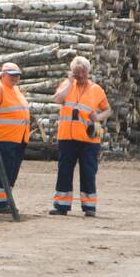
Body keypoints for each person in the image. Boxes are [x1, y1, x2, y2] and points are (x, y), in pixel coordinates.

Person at [50, 56, 111, 217]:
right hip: (67, 138)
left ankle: (89, 206)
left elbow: (107, 110)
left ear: (88, 71)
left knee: (88, 172)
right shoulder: (67, 85)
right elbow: (57, 99)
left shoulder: (96, 89)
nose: (81, 76)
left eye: (83, 72)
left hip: (89, 140)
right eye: (77, 73)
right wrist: (70, 83)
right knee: (64, 171)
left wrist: (98, 118)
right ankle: (61, 205)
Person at [0, 62, 30, 213]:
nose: (14, 78)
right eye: (11, 75)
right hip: (1, 138)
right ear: (3, 75)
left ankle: (5, 200)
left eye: (17, 75)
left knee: (11, 171)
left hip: (17, 138)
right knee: (1, 170)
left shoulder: (15, 89)